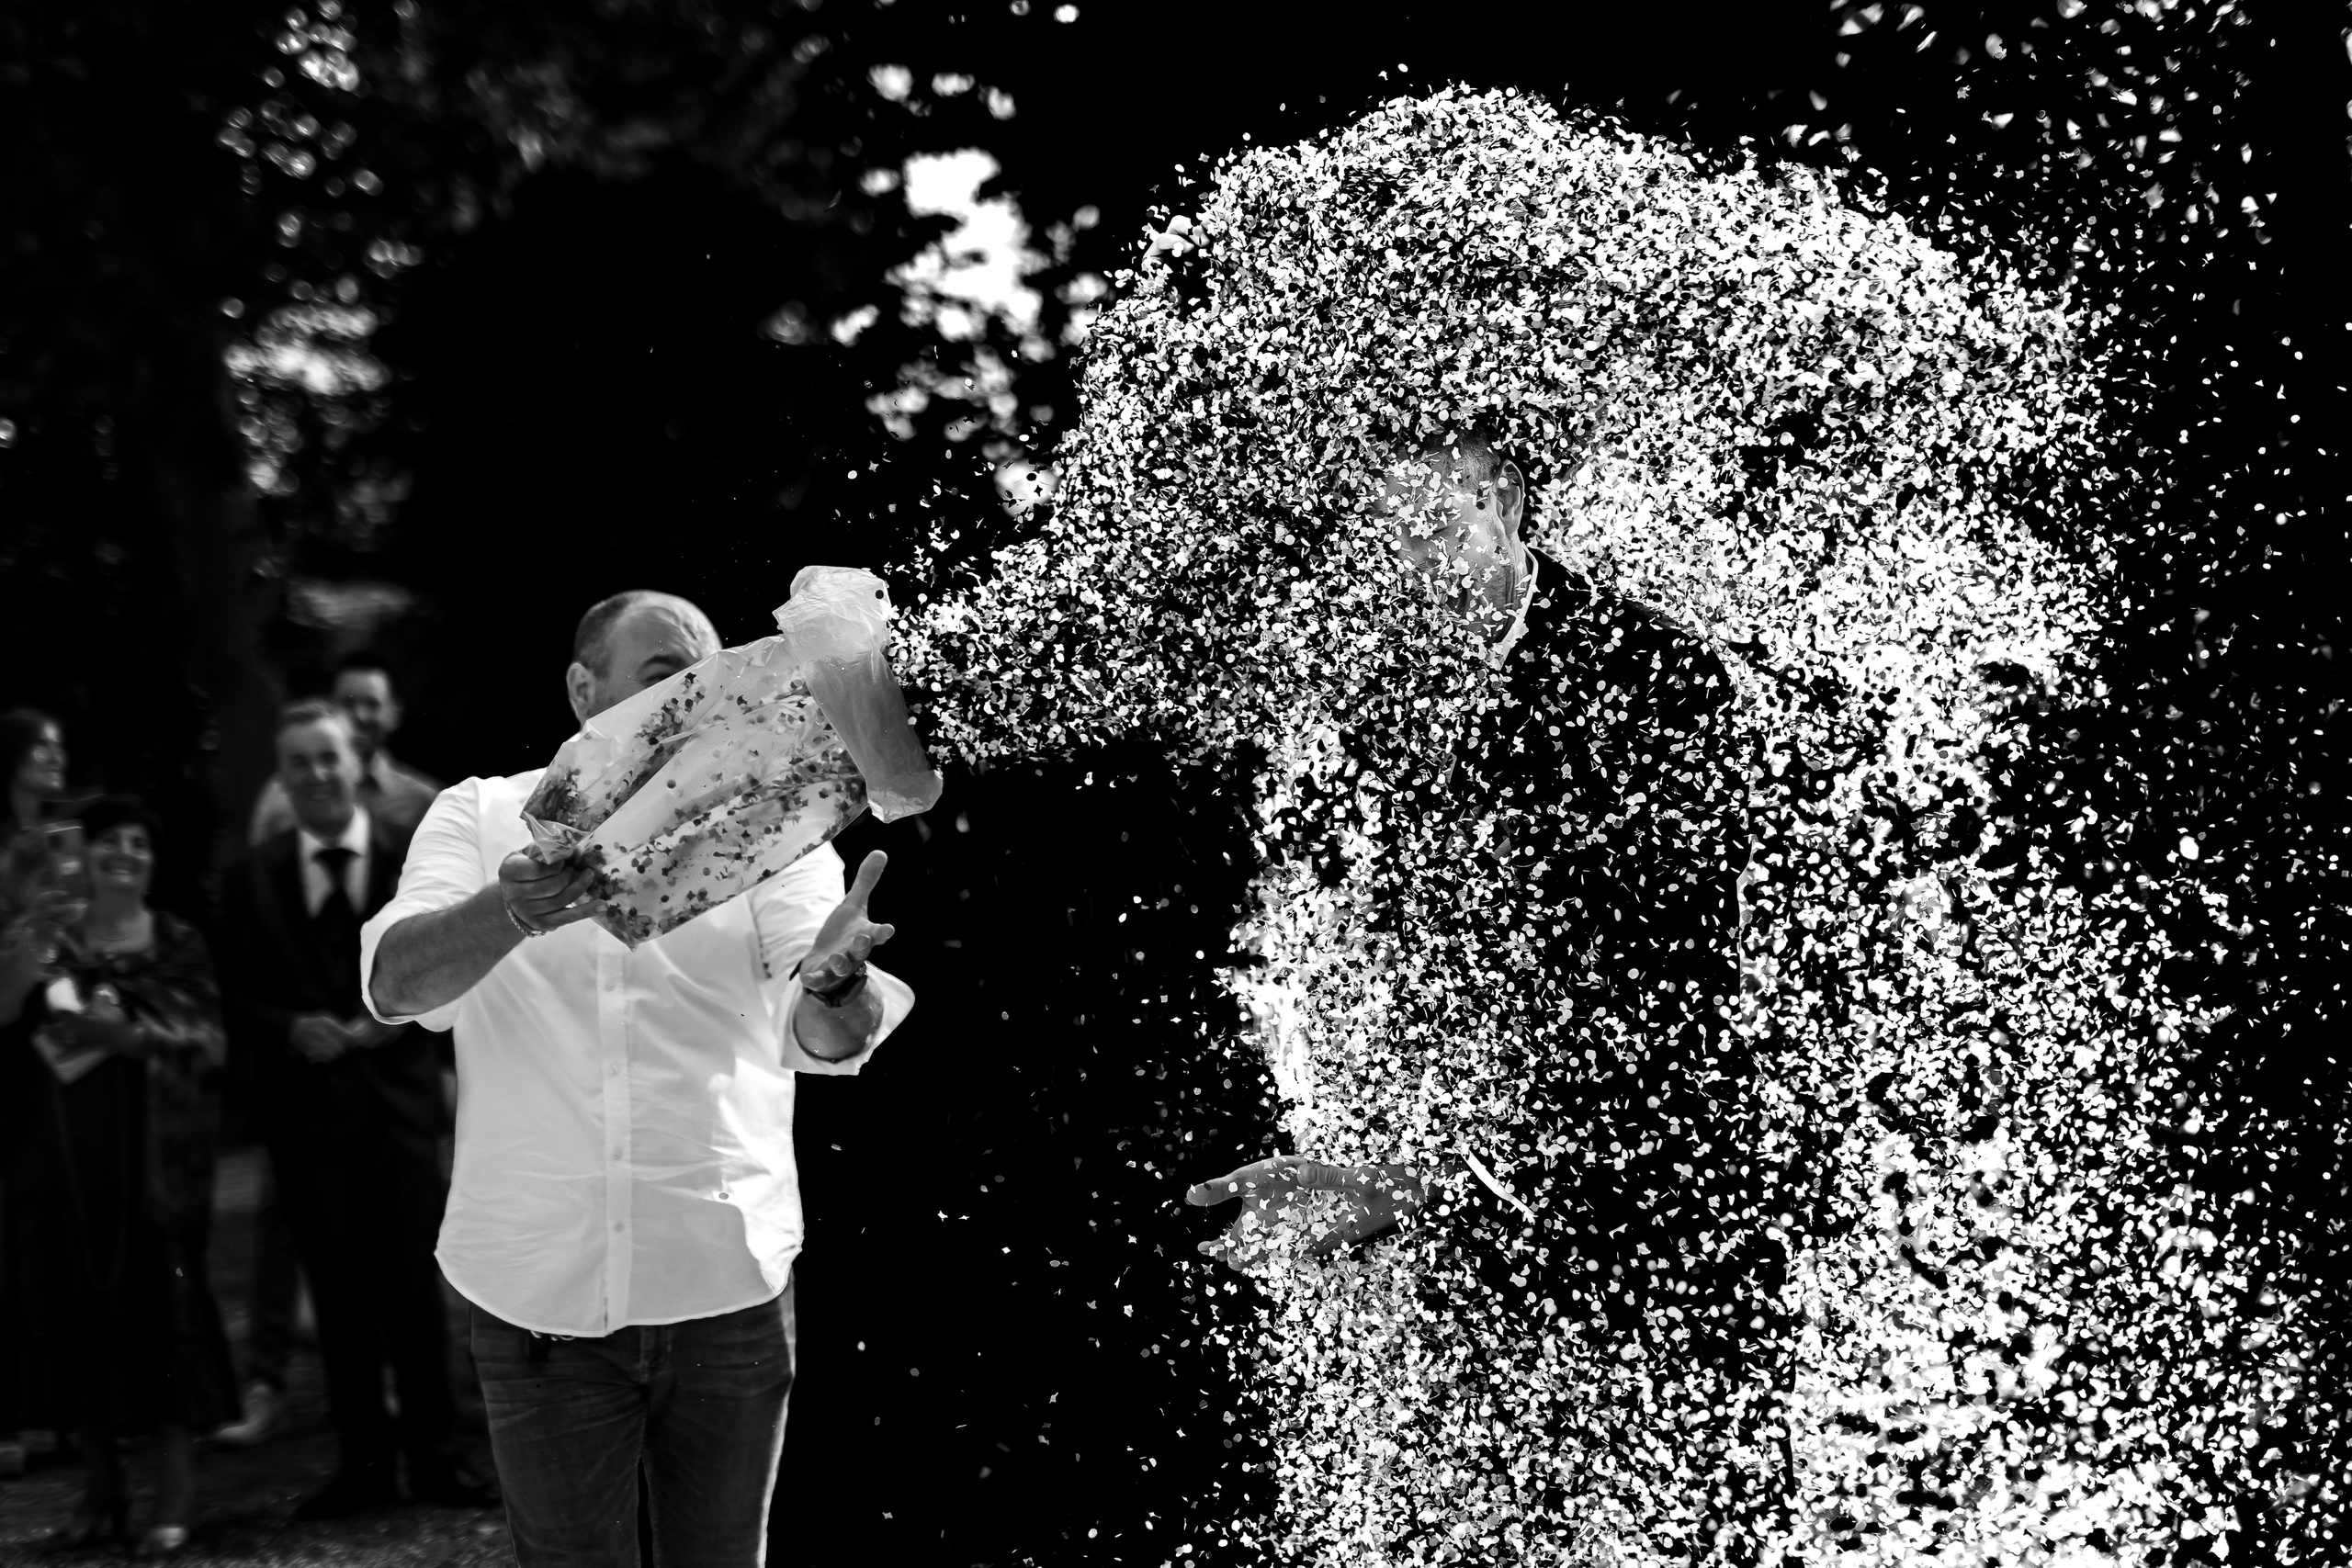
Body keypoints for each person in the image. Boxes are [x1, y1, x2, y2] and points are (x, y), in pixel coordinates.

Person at [361, 589, 914, 1568]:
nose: (697, 695)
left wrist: (837, 982)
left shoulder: (781, 839)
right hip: (539, 1301)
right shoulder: (482, 814)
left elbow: (826, 1033)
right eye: (664, 676)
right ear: (584, 690)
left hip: (725, 1290)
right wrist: (512, 911)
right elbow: (396, 986)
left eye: (707, 673)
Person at [1186, 430, 1765, 1366]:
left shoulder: (1654, 681)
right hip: (1476, 1259)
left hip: (1680, 1245)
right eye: (1374, 545)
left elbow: (1675, 1005)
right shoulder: (1368, 713)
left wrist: (1437, 1178)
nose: (1402, 569)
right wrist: (1387, 1168)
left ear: (1505, 500)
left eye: (1424, 527)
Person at [217, 701, 493, 1518]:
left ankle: (439, 1461)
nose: (314, 774)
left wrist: (383, 1020)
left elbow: (452, 967)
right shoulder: (250, 874)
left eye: (327, 758)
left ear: (355, 763)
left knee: (414, 1288)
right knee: (337, 1297)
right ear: (284, 776)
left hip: (401, 1110)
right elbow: (233, 994)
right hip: (304, 1119)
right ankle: (363, 1463)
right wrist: (286, 1027)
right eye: (297, 761)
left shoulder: (413, 864)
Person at [0, 795, 241, 1555]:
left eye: (139, 842)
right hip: (62, 1166)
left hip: (154, 1168)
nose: (125, 853)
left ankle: (174, 1491)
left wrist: (122, 1035)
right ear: (85, 854)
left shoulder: (177, 942)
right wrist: (28, 937)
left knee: (163, 1324)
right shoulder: (52, 940)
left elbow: (208, 1046)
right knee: (74, 1320)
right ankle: (100, 1492)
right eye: (110, 841)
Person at [0, 707, 71, 1483]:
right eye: (40, 745)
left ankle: (55, 1407)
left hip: (66, 1028)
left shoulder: (69, 837)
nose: (55, 756)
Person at [249, 651, 444, 848]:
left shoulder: (422, 801)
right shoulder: (282, 792)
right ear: (327, 708)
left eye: (372, 703)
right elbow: (258, 870)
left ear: (394, 713)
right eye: (348, 703)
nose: (359, 715)